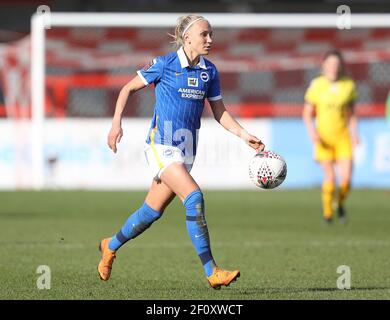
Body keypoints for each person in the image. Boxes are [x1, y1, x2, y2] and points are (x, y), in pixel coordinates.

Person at [97, 14, 265, 289]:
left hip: (187, 152)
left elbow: (219, 111)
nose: (210, 40)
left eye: (211, 34)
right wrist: (116, 124)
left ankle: (110, 245)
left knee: (151, 211)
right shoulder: (164, 65)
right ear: (188, 38)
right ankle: (212, 271)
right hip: (161, 146)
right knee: (194, 197)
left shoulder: (209, 71)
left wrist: (244, 135)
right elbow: (128, 88)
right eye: (204, 35)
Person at [303, 49, 359, 224]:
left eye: (337, 64)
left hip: (343, 137)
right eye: (331, 64)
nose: (334, 67)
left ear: (341, 66)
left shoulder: (348, 84)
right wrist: (312, 133)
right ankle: (328, 214)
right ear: (324, 65)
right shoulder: (317, 85)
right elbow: (307, 113)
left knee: (346, 180)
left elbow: (351, 113)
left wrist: (355, 133)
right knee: (330, 177)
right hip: (324, 138)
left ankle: (339, 203)